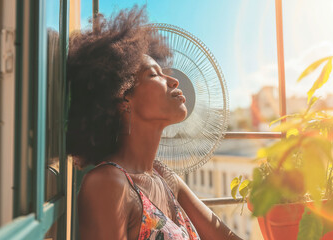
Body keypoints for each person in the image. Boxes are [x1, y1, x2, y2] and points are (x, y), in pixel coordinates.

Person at [66, 5, 242, 240]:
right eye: (154, 74)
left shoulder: (165, 178)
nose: (173, 81)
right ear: (123, 99)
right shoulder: (107, 185)